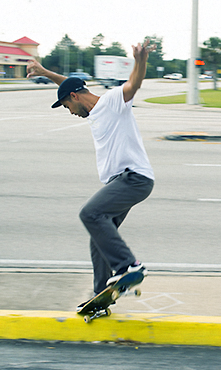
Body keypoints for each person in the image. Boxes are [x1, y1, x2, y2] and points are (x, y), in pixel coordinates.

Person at [26, 39, 156, 297]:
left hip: (133, 179)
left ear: (74, 98)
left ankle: (129, 266)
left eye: (67, 106)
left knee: (90, 214)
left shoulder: (112, 102)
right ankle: (101, 295)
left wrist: (140, 62)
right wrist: (45, 73)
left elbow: (133, 84)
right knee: (99, 237)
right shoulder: (91, 108)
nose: (70, 112)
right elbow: (69, 84)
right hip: (120, 183)